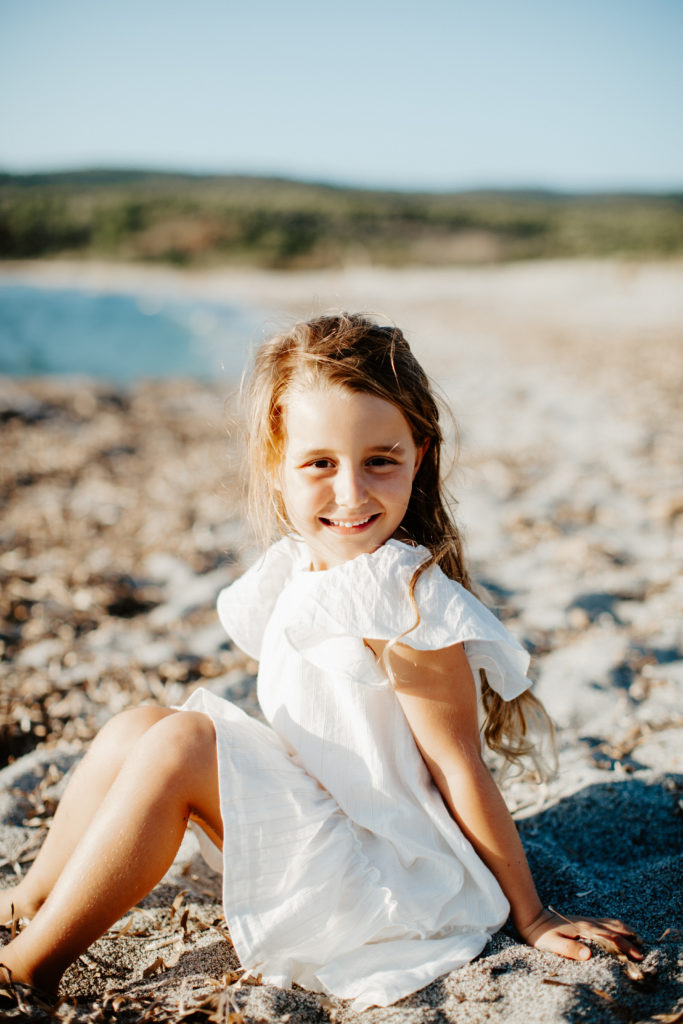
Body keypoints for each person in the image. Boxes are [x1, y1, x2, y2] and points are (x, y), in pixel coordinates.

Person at [0, 313, 642, 1010]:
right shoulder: (299, 565)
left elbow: (458, 766)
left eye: (379, 459)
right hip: (331, 819)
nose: (350, 493)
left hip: (391, 878)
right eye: (319, 464)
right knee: (139, 725)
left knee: (183, 741)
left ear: (418, 454)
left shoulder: (400, 596)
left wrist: (532, 913)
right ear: (275, 465)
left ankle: (28, 966)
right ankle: (29, 899)